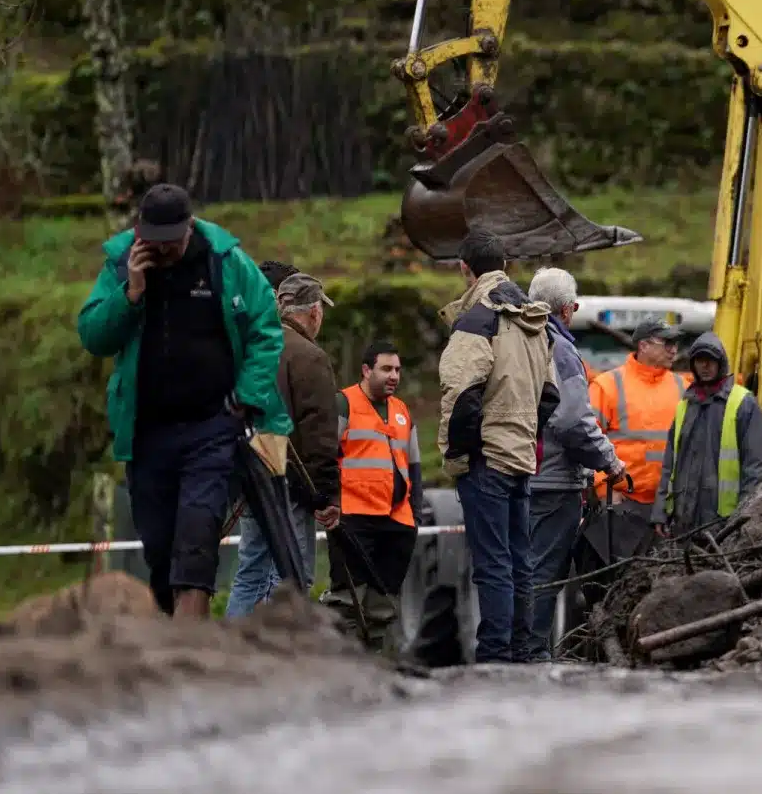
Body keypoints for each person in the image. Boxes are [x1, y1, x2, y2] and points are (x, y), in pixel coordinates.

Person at [76, 183, 291, 618]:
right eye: (154, 241)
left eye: (171, 241)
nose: (164, 250)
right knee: (159, 548)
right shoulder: (123, 263)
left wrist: (248, 396)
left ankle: (191, 642)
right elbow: (93, 336)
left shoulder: (225, 261)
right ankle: (170, 634)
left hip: (212, 425)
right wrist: (130, 294)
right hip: (147, 432)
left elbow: (265, 329)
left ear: (190, 226)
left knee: (197, 538)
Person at [437, 227, 558, 663]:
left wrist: (460, 454)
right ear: (504, 266)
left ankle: (495, 656)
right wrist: (523, 434)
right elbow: (550, 395)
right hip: (520, 457)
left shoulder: (477, 320)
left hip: (486, 459)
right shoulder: (536, 323)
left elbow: (461, 395)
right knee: (520, 561)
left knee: (492, 564)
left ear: (464, 269)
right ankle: (522, 651)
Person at [520, 268, 628, 661]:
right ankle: (532, 656)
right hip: (553, 480)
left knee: (519, 571)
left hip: (518, 475)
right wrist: (609, 462)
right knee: (544, 575)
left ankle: (513, 653)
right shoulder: (560, 348)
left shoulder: (519, 340)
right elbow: (572, 420)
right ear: (568, 309)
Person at [225, 272, 337, 617]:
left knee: (251, 573)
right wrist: (323, 494)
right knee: (292, 578)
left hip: (250, 474)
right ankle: (281, 643)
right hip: (291, 484)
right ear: (314, 312)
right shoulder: (310, 357)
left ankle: (232, 643)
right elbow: (318, 434)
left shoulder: (252, 348)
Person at [326, 340, 429, 654]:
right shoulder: (344, 403)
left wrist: (414, 516)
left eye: (397, 369)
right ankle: (340, 663)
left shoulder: (401, 410)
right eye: (386, 369)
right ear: (366, 370)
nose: (394, 375)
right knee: (348, 602)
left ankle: (372, 663)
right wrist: (330, 502)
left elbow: (414, 466)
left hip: (397, 522)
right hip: (353, 518)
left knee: (383, 605)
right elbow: (325, 458)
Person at [585, 320, 688, 566]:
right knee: (615, 578)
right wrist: (604, 489)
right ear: (643, 345)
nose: (674, 349)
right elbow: (588, 441)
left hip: (666, 508)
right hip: (621, 505)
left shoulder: (683, 388)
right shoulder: (607, 386)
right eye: (667, 343)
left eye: (676, 343)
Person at [651, 333, 762, 539]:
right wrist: (661, 511)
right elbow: (670, 464)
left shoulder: (743, 403)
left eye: (710, 360)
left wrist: (743, 518)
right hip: (684, 522)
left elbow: (754, 468)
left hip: (723, 524)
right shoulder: (685, 406)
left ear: (720, 363)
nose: (705, 366)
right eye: (700, 360)